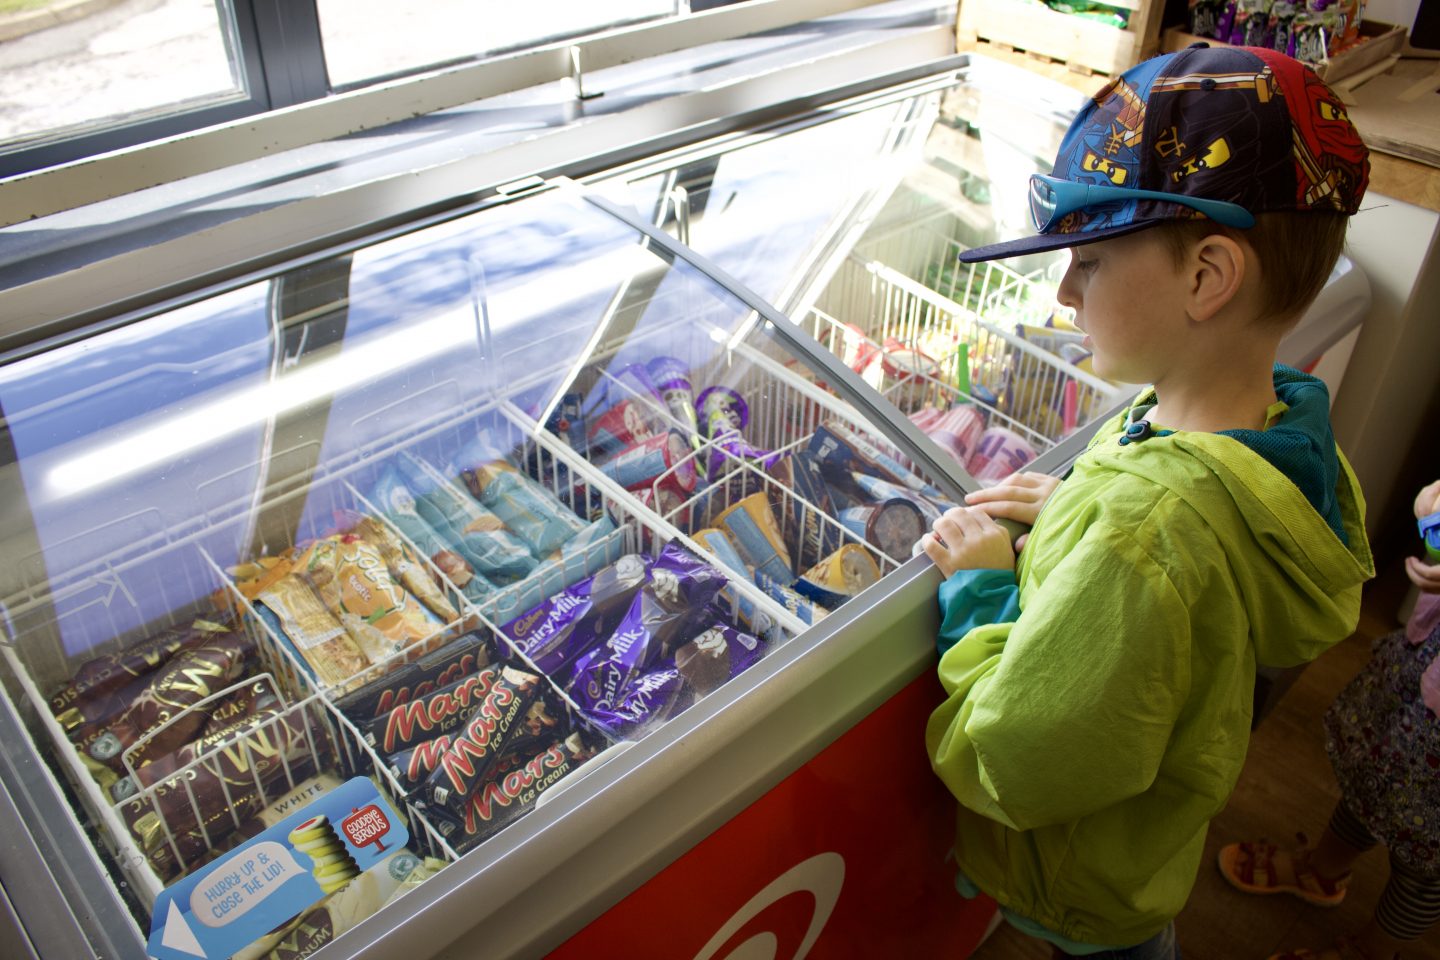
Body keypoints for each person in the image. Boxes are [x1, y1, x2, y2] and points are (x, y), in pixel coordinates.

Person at [918, 43, 1377, 959]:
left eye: (1087, 260)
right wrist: (1084, 505)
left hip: (1079, 886)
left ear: (1208, 277)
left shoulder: (1148, 530)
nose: (1062, 290)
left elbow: (1014, 760)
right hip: (1148, 845)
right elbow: (1176, 554)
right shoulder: (1280, 426)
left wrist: (980, 592)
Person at [1215, 479, 1440, 960]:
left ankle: (1371, 950)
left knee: (1425, 861)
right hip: (1425, 672)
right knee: (1374, 779)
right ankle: (1324, 869)